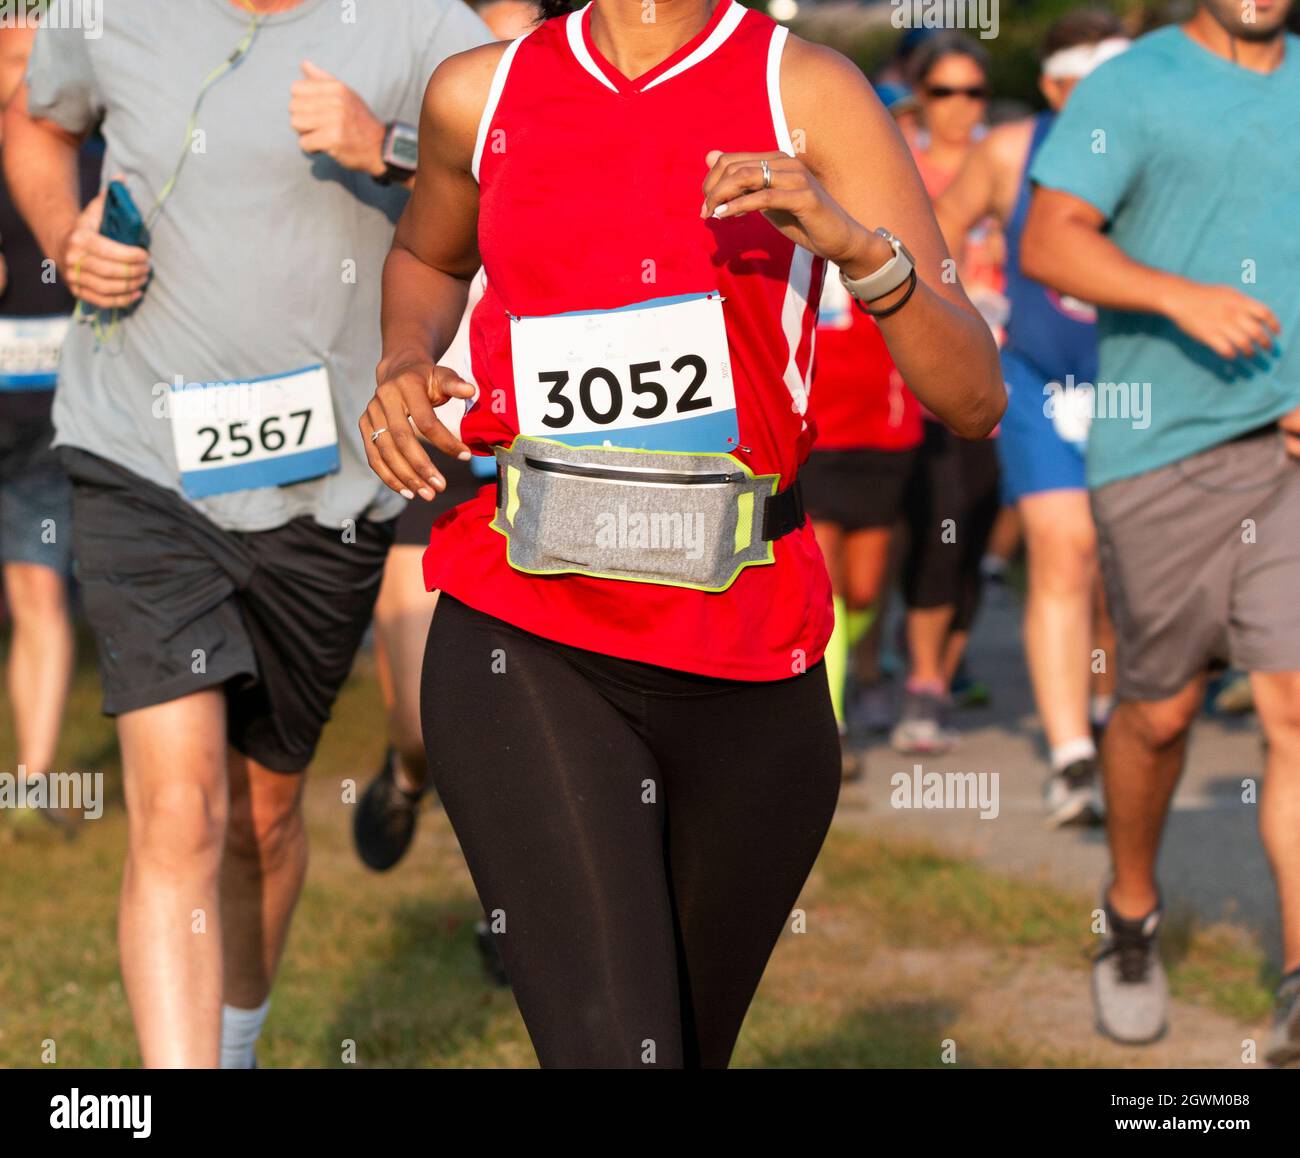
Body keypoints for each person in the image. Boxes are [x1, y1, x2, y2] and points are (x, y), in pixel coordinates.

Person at [361, 0, 1003, 1067]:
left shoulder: (805, 90)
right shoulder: (482, 93)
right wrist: (399, 361)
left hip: (749, 647)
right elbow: (427, 262)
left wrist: (858, 253)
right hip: (527, 617)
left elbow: (973, 397)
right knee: (615, 1046)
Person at [4, 0, 490, 1067]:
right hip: (140, 458)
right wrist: (64, 235)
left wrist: (388, 148)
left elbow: (529, 171)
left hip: (329, 485)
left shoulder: (420, 26)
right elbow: (35, 118)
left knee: (257, 822)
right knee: (178, 806)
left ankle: (232, 1047)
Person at [1022, 0, 1300, 1061]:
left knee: (1290, 710)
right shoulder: (1130, 87)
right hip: (1164, 447)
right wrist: (1179, 299)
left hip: (1289, 455)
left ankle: (1294, 982)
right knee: (1161, 712)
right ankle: (1131, 916)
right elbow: (1050, 241)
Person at [355, 0, 539, 875]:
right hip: (432, 435)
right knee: (424, 714)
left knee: (532, 709)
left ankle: (509, 905)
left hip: (539, 443)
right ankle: (407, 768)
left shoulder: (581, 116)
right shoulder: (430, 92)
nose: (496, 70)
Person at [934, 10, 1127, 825]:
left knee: (1120, 574)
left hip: (1140, 387)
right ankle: (1072, 757)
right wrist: (967, 310)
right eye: (1093, 78)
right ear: (1052, 86)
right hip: (1041, 378)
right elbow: (934, 235)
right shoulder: (1012, 152)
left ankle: (1109, 714)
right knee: (1063, 547)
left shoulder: (1158, 150)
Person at [891, 31, 1005, 755]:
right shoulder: (899, 168)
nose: (959, 107)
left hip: (1012, 376)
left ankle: (943, 664)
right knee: (931, 529)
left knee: (976, 537)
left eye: (973, 92)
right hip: (918, 380)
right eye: (944, 92)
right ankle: (919, 680)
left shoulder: (1009, 163)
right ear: (920, 95)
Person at [0, 21, 95, 835]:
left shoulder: (91, 160)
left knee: (37, 588)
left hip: (46, 419)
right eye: (5, 56)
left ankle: (32, 779)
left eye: (35, 59)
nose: (21, 73)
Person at [805, 260, 922, 781]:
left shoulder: (887, 234)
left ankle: (843, 671)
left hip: (883, 437)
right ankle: (830, 724)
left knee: (865, 592)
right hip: (816, 434)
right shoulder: (790, 231)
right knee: (825, 584)